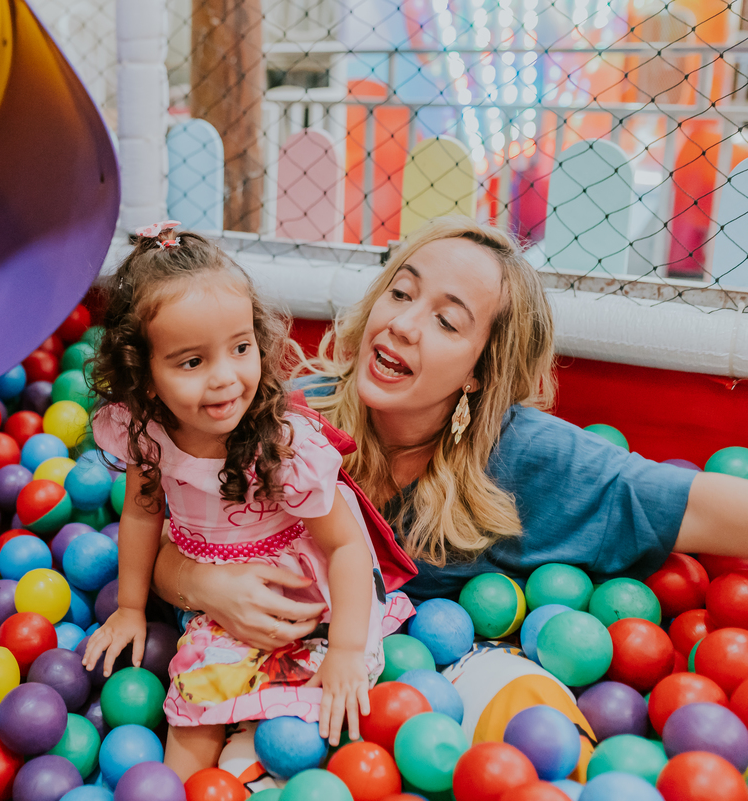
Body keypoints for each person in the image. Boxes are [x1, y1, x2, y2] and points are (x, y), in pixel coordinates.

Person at [151, 215, 748, 782]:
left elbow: (693, 503)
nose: (403, 325)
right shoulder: (284, 426)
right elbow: (173, 529)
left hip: (425, 685)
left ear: (479, 370)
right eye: (402, 293)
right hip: (279, 682)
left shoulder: (528, 459)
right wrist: (203, 585)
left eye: (447, 322)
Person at [79, 221, 413, 780]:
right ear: (144, 374)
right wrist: (131, 607)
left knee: (294, 722)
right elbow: (142, 510)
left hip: (301, 595)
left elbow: (350, 548)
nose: (226, 379)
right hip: (214, 597)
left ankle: (253, 747)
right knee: (188, 741)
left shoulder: (281, 445)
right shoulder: (146, 431)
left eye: (240, 348)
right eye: (192, 362)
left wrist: (347, 651)